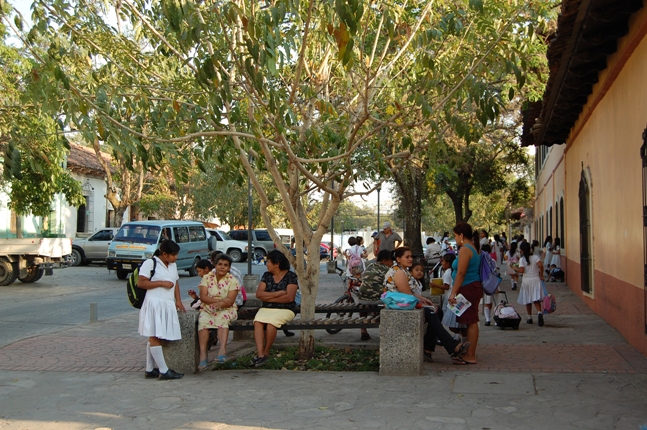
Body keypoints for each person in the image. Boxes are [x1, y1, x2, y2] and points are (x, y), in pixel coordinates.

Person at [384, 247, 469, 363]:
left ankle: (428, 349)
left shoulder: (403, 270)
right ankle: (453, 346)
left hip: (404, 302)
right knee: (431, 312)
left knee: (437, 311)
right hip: (399, 305)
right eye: (407, 257)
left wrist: (425, 300)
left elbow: (410, 293)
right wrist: (424, 304)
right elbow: (407, 294)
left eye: (411, 256)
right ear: (398, 259)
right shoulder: (398, 272)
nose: (410, 259)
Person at [138, 240, 185, 380]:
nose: (175, 257)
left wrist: (178, 300)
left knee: (156, 335)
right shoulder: (150, 263)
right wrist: (161, 283)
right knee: (155, 335)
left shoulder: (173, 265)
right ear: (164, 254)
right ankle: (164, 371)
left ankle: (149, 368)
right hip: (154, 303)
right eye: (173, 255)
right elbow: (141, 283)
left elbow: (176, 282)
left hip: (167, 303)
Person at [252, 250, 299, 367]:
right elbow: (259, 294)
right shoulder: (266, 276)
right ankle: (260, 354)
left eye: (268, 261)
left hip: (286, 309)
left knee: (271, 324)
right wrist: (278, 294)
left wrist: (268, 297)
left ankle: (266, 352)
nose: (266, 264)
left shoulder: (291, 276)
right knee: (257, 322)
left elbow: (289, 297)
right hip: (266, 308)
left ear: (276, 263)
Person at [196, 254, 240, 370]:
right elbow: (203, 297)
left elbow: (230, 301)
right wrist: (219, 301)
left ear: (229, 268)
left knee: (222, 319)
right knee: (203, 322)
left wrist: (221, 303)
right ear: (215, 265)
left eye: (225, 265)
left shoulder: (232, 281)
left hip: (227, 309)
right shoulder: (207, 278)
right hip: (208, 308)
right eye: (220, 264)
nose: (222, 267)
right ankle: (203, 356)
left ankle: (222, 352)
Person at [448, 222, 482, 365]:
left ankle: (471, 355)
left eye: (455, 236)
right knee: (469, 321)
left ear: (461, 235)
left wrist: (453, 293)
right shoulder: (473, 248)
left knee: (471, 321)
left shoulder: (465, 249)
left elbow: (461, 273)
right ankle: (468, 351)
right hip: (471, 287)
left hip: (468, 287)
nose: (455, 239)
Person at [358, 250, 392, 340]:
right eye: (390, 261)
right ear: (385, 261)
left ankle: (363, 330)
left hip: (361, 297)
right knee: (392, 299)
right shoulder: (387, 270)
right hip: (376, 299)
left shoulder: (370, 265)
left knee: (363, 305)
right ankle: (387, 331)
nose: (391, 263)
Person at [513, 241, 545, 326]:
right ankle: (539, 313)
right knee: (536, 299)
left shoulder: (522, 260)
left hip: (526, 280)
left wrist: (514, 267)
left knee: (528, 299)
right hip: (535, 279)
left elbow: (522, 270)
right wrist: (541, 275)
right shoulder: (535, 257)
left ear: (522, 250)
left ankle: (530, 317)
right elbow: (541, 265)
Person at [440, 253, 467, 341]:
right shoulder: (453, 271)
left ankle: (460, 337)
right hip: (455, 298)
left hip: (452, 299)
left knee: (452, 323)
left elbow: (446, 286)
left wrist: (434, 285)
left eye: (443, 261)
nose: (442, 263)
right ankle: (460, 337)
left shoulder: (448, 273)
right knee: (459, 323)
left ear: (448, 263)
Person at [480, 244, 497, 326]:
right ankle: (495, 317)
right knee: (493, 301)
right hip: (493, 283)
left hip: (485, 282)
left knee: (486, 301)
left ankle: (487, 319)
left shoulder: (482, 260)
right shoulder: (492, 260)